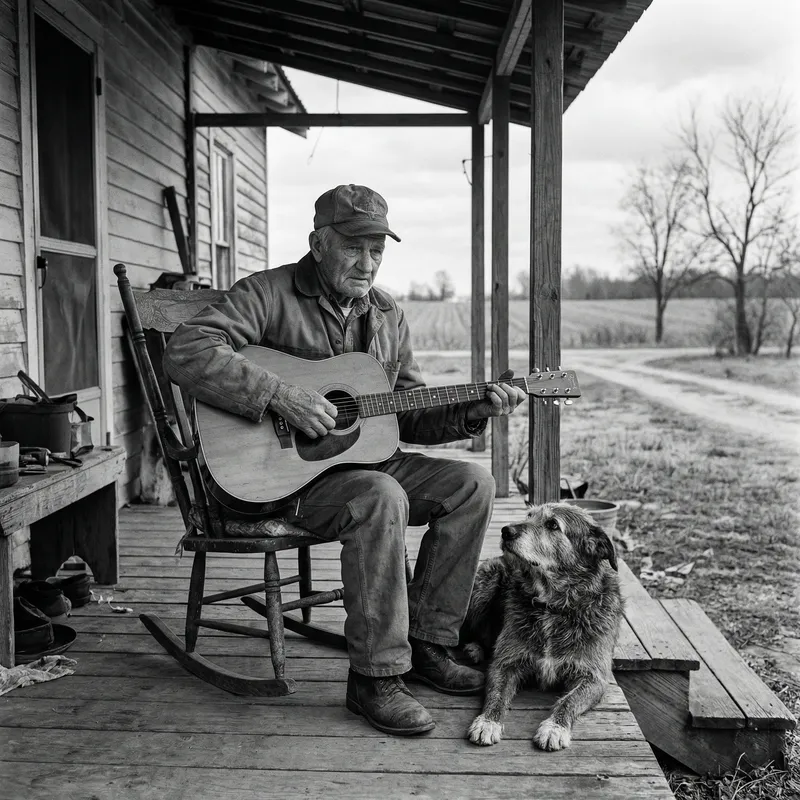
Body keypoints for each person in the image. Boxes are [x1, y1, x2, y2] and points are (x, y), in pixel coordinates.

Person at [163, 184, 527, 736]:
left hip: (365, 459)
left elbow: (407, 411)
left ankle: (429, 644)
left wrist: (474, 409)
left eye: (378, 249)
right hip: (283, 477)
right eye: (355, 246)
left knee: (473, 484)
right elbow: (187, 350)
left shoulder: (386, 315)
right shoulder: (267, 292)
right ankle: (374, 678)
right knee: (380, 497)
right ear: (318, 243)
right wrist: (278, 395)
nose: (368, 262)